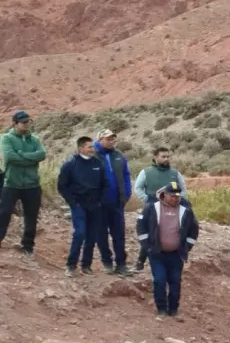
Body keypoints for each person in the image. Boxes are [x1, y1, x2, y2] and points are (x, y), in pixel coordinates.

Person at [136, 182, 199, 321]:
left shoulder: (185, 210)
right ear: (164, 195)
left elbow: (194, 229)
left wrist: (187, 246)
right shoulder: (152, 208)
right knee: (159, 280)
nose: (175, 199)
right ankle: (161, 309)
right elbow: (141, 225)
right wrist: (147, 246)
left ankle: (173, 309)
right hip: (157, 253)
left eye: (178, 196)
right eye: (172, 196)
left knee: (175, 282)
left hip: (176, 255)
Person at [57, 136, 108, 277]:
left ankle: (86, 265)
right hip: (78, 204)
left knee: (92, 236)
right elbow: (62, 186)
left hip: (95, 205)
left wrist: (100, 201)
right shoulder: (70, 164)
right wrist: (72, 202)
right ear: (81, 149)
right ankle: (71, 265)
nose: (93, 149)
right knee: (79, 233)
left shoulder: (98, 164)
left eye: (93, 147)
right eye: (90, 147)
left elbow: (105, 184)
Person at [134, 146, 188, 271]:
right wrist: (147, 199)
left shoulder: (175, 173)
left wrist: (180, 202)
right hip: (153, 207)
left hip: (172, 208)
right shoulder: (146, 172)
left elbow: (183, 190)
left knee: (172, 233)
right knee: (151, 232)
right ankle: (140, 261)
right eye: (163, 156)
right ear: (155, 157)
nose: (166, 159)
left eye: (168, 156)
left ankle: (177, 260)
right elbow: (138, 188)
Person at [0, 111, 46, 256]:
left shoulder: (35, 139)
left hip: (32, 184)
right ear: (14, 123)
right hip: (12, 183)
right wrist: (30, 159)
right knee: (4, 213)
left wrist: (21, 155)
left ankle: (28, 245)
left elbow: (42, 155)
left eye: (27, 121)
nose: (26, 124)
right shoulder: (6, 138)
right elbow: (10, 157)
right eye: (23, 122)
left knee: (31, 216)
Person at [94, 129, 133, 276]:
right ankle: (107, 262)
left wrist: (127, 194)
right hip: (99, 204)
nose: (111, 141)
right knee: (101, 234)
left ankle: (121, 264)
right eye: (108, 139)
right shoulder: (92, 156)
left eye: (113, 139)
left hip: (117, 203)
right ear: (100, 140)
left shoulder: (118, 156)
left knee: (119, 234)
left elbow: (126, 175)